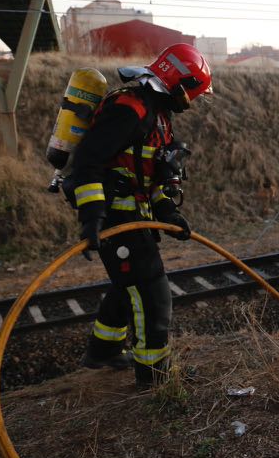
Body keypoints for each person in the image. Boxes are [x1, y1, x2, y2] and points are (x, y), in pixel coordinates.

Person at [68, 43, 213, 389]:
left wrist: (168, 211)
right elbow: (87, 161)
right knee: (152, 294)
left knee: (126, 286)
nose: (191, 103)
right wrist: (92, 217)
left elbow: (153, 173)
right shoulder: (130, 109)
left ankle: (102, 352)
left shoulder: (157, 115)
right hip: (117, 222)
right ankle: (154, 374)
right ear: (179, 85)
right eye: (192, 93)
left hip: (136, 219)